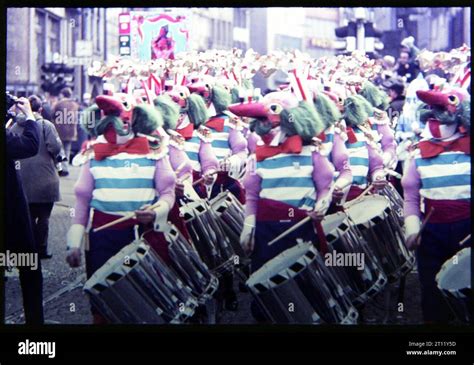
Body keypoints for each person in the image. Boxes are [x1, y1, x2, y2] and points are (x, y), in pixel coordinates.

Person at [66, 93, 176, 324]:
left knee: (147, 298)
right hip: (103, 236)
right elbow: (82, 201)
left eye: (125, 120)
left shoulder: (155, 150)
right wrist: (74, 242)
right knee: (106, 299)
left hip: (142, 235)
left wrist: (156, 211)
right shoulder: (93, 153)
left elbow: (167, 193)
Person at [402, 87, 471, 323]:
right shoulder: (419, 154)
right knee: (432, 296)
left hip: (469, 230)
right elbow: (410, 197)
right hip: (432, 234)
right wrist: (412, 228)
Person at [5, 97, 44, 324]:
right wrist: (29, 115)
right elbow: (29, 145)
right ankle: (34, 321)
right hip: (10, 211)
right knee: (29, 266)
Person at [9, 95, 63, 259]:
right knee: (44, 216)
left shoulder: (13, 128)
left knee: (29, 216)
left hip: (23, 180)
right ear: (39, 109)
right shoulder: (46, 125)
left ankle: (30, 249)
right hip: (46, 178)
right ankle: (42, 249)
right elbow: (55, 146)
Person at [52, 87, 80, 176]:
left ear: (62, 94)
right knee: (67, 149)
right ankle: (66, 168)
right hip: (71, 130)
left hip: (60, 130)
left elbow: (52, 115)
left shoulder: (58, 104)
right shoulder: (75, 104)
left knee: (60, 149)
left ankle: (62, 169)